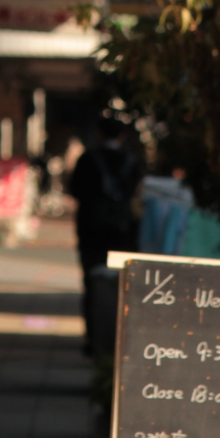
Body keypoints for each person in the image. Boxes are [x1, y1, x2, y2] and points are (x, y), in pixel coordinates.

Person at [68, 117, 140, 354]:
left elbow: (74, 189)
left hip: (91, 232)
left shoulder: (88, 159)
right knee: (121, 286)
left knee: (91, 284)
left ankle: (94, 338)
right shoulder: (131, 162)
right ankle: (117, 338)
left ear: (99, 134)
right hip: (121, 234)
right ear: (122, 137)